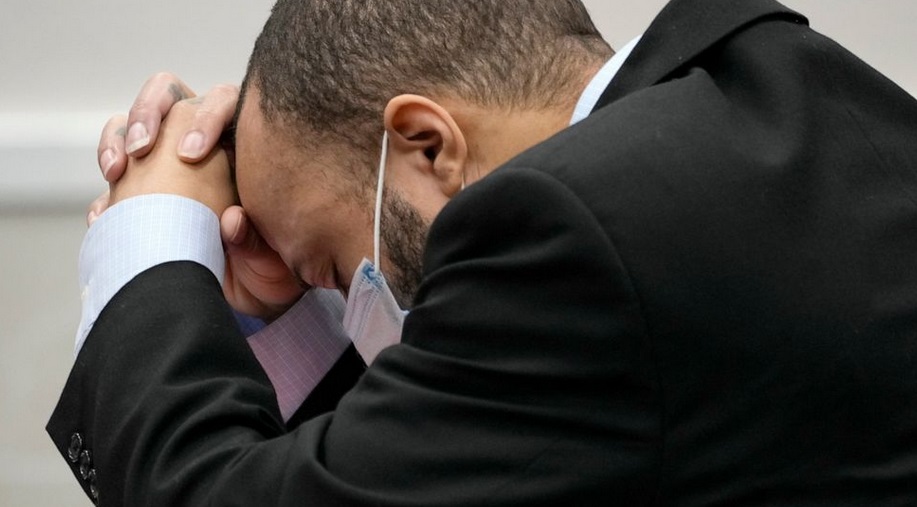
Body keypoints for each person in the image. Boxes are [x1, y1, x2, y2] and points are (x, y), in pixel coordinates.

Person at [48, 0, 917, 504]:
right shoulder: (783, 86)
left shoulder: (571, 231)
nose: (344, 294)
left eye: (328, 267)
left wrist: (156, 235)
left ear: (428, 145)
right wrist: (292, 309)